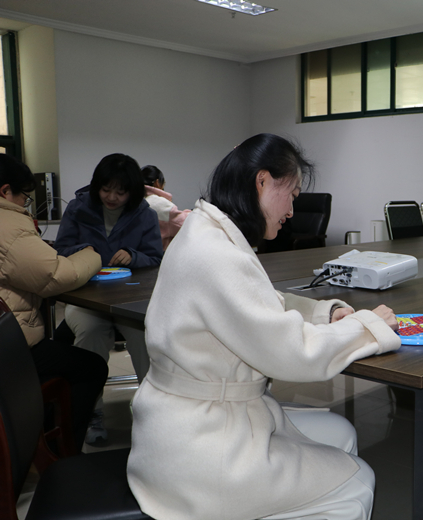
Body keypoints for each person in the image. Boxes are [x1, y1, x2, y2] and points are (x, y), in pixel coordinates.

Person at [127, 133, 402, 520]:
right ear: (263, 181)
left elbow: (261, 304)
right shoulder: (216, 254)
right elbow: (296, 354)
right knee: (358, 480)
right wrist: (368, 326)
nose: (292, 209)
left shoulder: (206, 230)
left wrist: (326, 314)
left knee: (341, 433)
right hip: (203, 450)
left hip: (187, 424)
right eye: (292, 194)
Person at [0, 153, 108, 451]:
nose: (24, 204)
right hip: (10, 350)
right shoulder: (8, 224)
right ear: (5, 191)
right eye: (24, 197)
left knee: (62, 338)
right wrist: (93, 255)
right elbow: (57, 275)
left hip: (12, 337)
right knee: (91, 367)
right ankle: (61, 452)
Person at [54, 153, 163, 443]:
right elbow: (60, 251)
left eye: (121, 192)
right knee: (90, 331)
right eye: (106, 189)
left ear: (133, 192)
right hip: (87, 299)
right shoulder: (78, 209)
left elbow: (155, 259)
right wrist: (84, 252)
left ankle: (153, 412)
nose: (112, 197)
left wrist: (133, 256)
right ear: (96, 186)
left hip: (128, 301)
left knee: (144, 334)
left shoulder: (145, 215)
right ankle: (92, 412)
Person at [141, 164, 191, 250]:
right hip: (157, 255)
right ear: (157, 183)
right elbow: (186, 224)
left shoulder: (135, 202)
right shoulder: (159, 204)